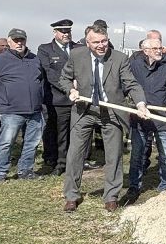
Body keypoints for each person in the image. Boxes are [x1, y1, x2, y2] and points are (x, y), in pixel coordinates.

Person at [60, 23, 149, 213]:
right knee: (75, 154)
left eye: (104, 41)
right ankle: (71, 196)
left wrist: (140, 104)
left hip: (111, 111)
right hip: (84, 110)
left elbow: (131, 84)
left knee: (114, 155)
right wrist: (71, 90)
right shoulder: (76, 56)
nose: (101, 45)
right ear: (87, 42)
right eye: (96, 42)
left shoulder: (119, 58)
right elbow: (64, 78)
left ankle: (111, 196)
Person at [0, 29, 46, 182]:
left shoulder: (34, 59)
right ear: (9, 41)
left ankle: (26, 170)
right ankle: (0, 172)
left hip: (35, 110)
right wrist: (3, 98)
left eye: (22, 40)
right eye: (16, 40)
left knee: (32, 143)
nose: (19, 43)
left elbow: (41, 80)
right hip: (11, 111)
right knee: (6, 142)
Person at [125, 38, 166, 200]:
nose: (159, 51)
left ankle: (165, 184)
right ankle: (134, 186)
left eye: (160, 48)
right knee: (137, 154)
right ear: (146, 51)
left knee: (165, 155)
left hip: (162, 117)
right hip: (140, 117)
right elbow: (127, 84)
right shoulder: (135, 66)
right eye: (155, 48)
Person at [38, 19, 79, 176]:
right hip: (58, 99)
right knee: (59, 132)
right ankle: (59, 162)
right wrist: (69, 88)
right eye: (62, 31)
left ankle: (74, 160)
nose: (66, 34)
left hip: (79, 98)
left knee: (76, 132)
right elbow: (50, 73)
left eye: (68, 31)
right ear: (55, 32)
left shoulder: (78, 48)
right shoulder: (46, 49)